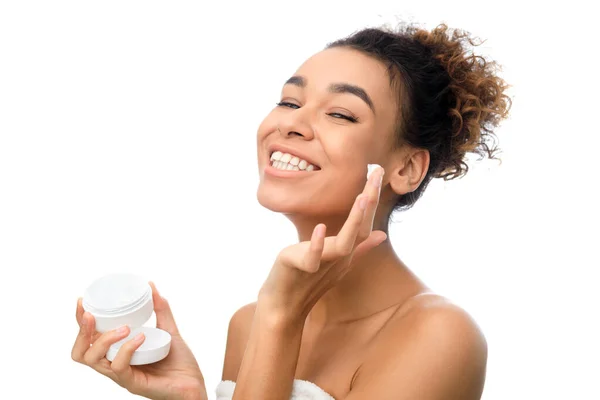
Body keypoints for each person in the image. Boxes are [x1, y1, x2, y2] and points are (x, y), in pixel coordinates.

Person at [71, 21, 511, 400]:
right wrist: (190, 396)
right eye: (289, 102)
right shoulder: (248, 323)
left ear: (407, 167)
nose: (291, 124)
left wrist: (281, 318)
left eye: (340, 113)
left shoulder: (439, 335)